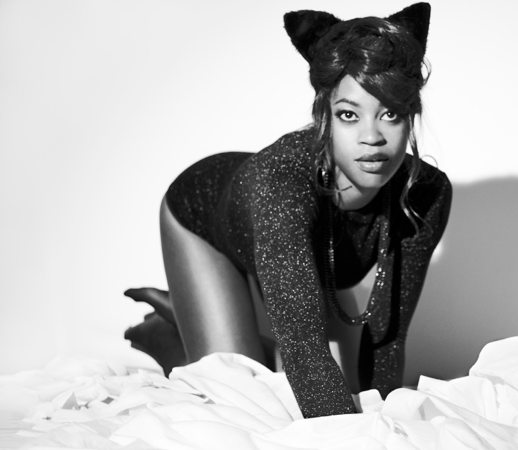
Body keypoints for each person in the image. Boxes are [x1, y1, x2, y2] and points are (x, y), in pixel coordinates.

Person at [123, 2, 452, 419]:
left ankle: (192, 316)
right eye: (349, 115)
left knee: (330, 388)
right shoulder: (280, 186)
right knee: (239, 395)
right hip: (204, 217)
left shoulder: (427, 193)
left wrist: (386, 419)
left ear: (412, 116)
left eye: (390, 113)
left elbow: (388, 334)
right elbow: (304, 348)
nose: (371, 136)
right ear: (323, 117)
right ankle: (165, 330)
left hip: (283, 239)